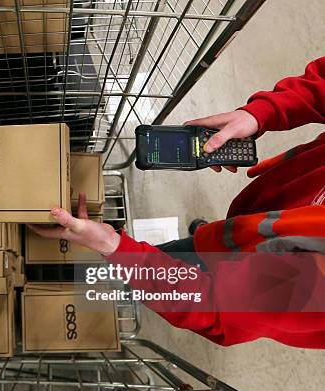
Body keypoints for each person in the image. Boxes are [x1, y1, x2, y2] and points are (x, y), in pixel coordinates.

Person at [29, 56, 325, 348]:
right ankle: (215, 240)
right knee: (206, 243)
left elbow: (212, 306)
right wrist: (261, 113)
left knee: (125, 273)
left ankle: (76, 291)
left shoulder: (310, 286)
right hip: (276, 217)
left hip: (276, 266)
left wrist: (117, 248)